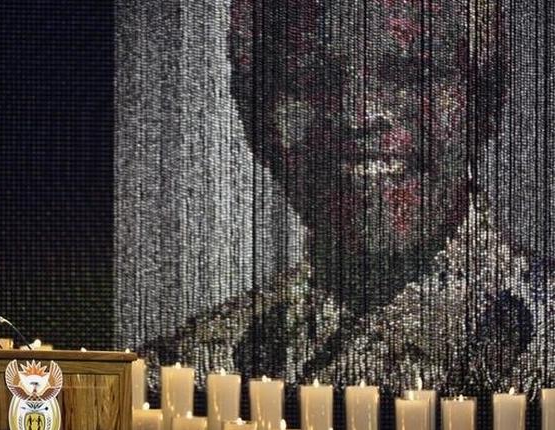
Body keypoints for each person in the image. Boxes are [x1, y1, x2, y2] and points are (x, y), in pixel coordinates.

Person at [142, 0, 554, 397]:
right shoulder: (186, 371)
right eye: (311, 80)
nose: (359, 116)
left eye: (413, 75)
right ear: (255, 121)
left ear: (485, 104)